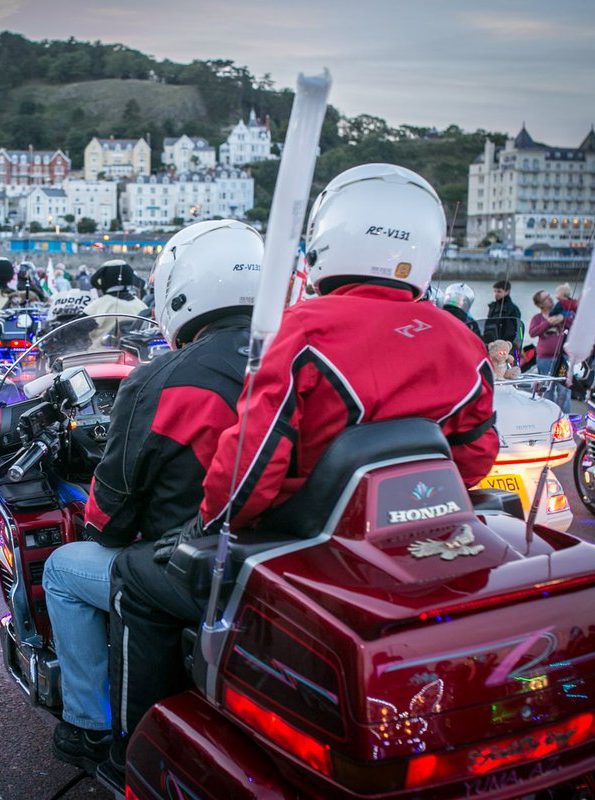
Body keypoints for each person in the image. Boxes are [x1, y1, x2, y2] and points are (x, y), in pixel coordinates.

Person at [103, 165, 499, 783]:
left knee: (133, 578)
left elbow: (249, 470)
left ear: (327, 241)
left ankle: (134, 752)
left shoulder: (305, 331)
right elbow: (472, 458)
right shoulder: (462, 342)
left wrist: (205, 528)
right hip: (403, 549)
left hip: (302, 545)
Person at [41, 219, 264, 773]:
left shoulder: (162, 377)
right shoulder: (297, 357)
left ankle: (88, 727)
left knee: (63, 569)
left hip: (194, 569)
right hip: (278, 560)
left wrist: (98, 522)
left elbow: (110, 516)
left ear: (179, 288)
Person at [82, 260, 148, 343]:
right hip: (133, 353)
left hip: (101, 353)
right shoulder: (141, 305)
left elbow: (74, 329)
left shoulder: (101, 304)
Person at [528, 289, 572, 411]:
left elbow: (573, 324)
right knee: (547, 389)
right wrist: (547, 323)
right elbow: (532, 332)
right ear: (540, 304)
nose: (550, 299)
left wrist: (563, 319)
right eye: (546, 298)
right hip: (544, 358)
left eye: (549, 296)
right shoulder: (537, 318)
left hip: (562, 357)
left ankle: (565, 418)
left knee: (564, 389)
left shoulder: (562, 314)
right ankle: (549, 416)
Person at [483, 279, 522, 347]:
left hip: (505, 345)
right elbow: (487, 326)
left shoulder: (513, 309)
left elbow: (517, 330)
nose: (496, 294)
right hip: (490, 343)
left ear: (507, 291)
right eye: (495, 291)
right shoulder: (493, 307)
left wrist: (511, 344)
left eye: (499, 291)